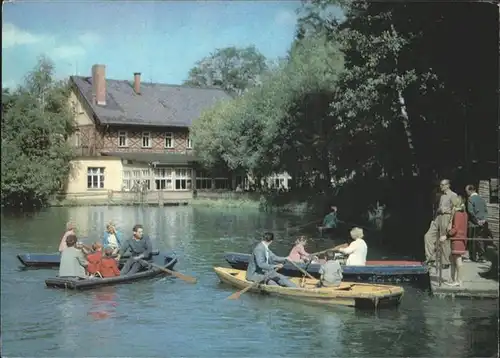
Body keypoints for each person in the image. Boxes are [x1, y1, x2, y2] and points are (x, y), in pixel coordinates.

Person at [424, 179, 457, 268]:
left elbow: (455, 209)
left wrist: (451, 222)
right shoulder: (442, 196)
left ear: (448, 185)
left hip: (446, 216)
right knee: (428, 236)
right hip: (438, 217)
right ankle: (431, 258)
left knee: (444, 239)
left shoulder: (453, 195)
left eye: (443, 185)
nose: (441, 186)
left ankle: (446, 262)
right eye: (440, 185)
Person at [439, 195, 468, 286]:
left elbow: (455, 229)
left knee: (458, 260)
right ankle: (453, 279)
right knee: (453, 259)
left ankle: (458, 281)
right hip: (461, 239)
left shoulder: (458, 214)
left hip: (457, 239)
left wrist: (446, 236)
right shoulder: (464, 214)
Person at [465, 184, 489, 263]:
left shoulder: (470, 199)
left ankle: (473, 257)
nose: (466, 193)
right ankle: (482, 256)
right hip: (483, 222)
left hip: (474, 223)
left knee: (472, 240)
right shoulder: (481, 199)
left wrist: (477, 221)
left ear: (470, 190)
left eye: (467, 191)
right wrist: (484, 219)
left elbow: (471, 212)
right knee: (481, 239)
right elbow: (486, 210)